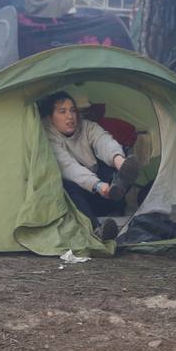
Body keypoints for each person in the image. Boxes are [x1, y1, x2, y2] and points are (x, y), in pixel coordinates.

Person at [39, 91, 139, 242]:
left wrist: (119, 161)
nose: (70, 116)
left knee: (117, 156)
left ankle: (119, 186)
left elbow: (103, 140)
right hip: (82, 199)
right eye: (62, 112)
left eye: (72, 110)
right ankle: (96, 231)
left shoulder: (86, 126)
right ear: (50, 118)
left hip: (105, 193)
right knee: (66, 185)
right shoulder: (47, 137)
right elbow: (68, 167)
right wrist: (98, 185)